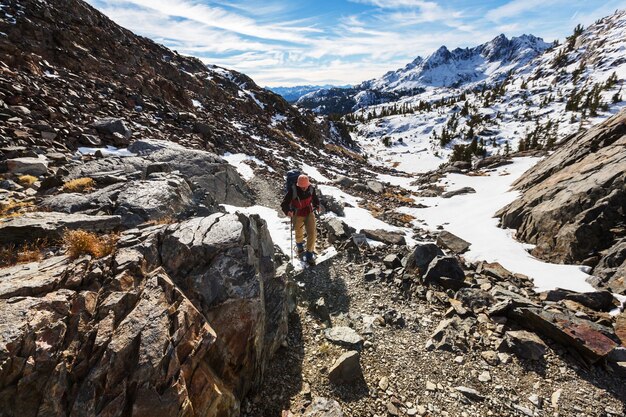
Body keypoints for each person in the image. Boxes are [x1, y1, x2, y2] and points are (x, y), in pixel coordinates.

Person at [281, 174, 321, 263]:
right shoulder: (293, 190)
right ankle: (300, 247)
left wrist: (317, 205)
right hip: (297, 213)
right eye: (302, 187)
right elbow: (284, 203)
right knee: (299, 233)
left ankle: (309, 254)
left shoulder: (311, 188)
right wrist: (288, 211)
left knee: (312, 233)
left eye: (305, 186)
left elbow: (314, 198)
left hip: (309, 212)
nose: (304, 188)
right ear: (298, 185)